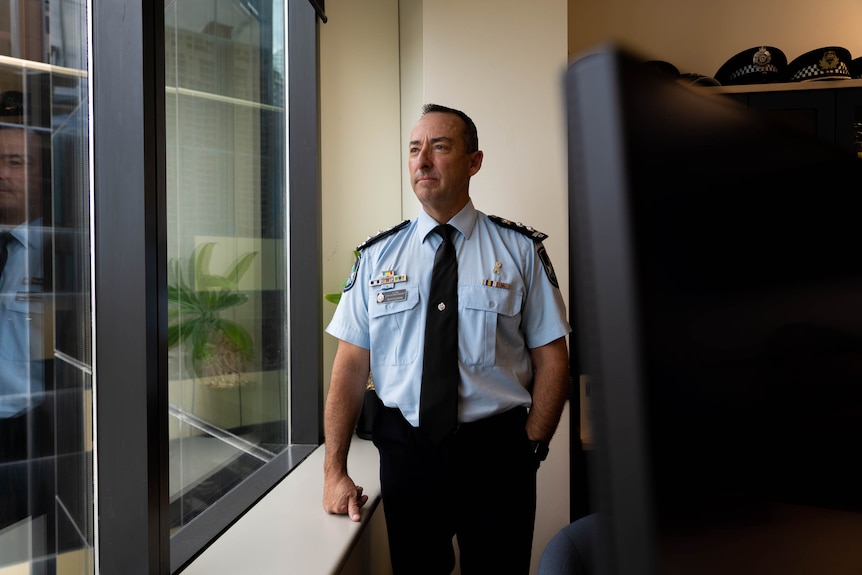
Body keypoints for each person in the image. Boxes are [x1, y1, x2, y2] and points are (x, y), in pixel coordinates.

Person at [323, 103, 571, 574]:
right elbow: (351, 367)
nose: (423, 160)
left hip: (497, 457)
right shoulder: (377, 257)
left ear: (474, 162)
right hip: (407, 456)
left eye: (439, 147)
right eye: (415, 149)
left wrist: (532, 447)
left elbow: (553, 358)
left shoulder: (519, 251)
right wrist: (334, 471)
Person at [0, 90, 48, 530]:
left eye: (18, 163)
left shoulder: (61, 255)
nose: (3, 174)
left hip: (26, 436)